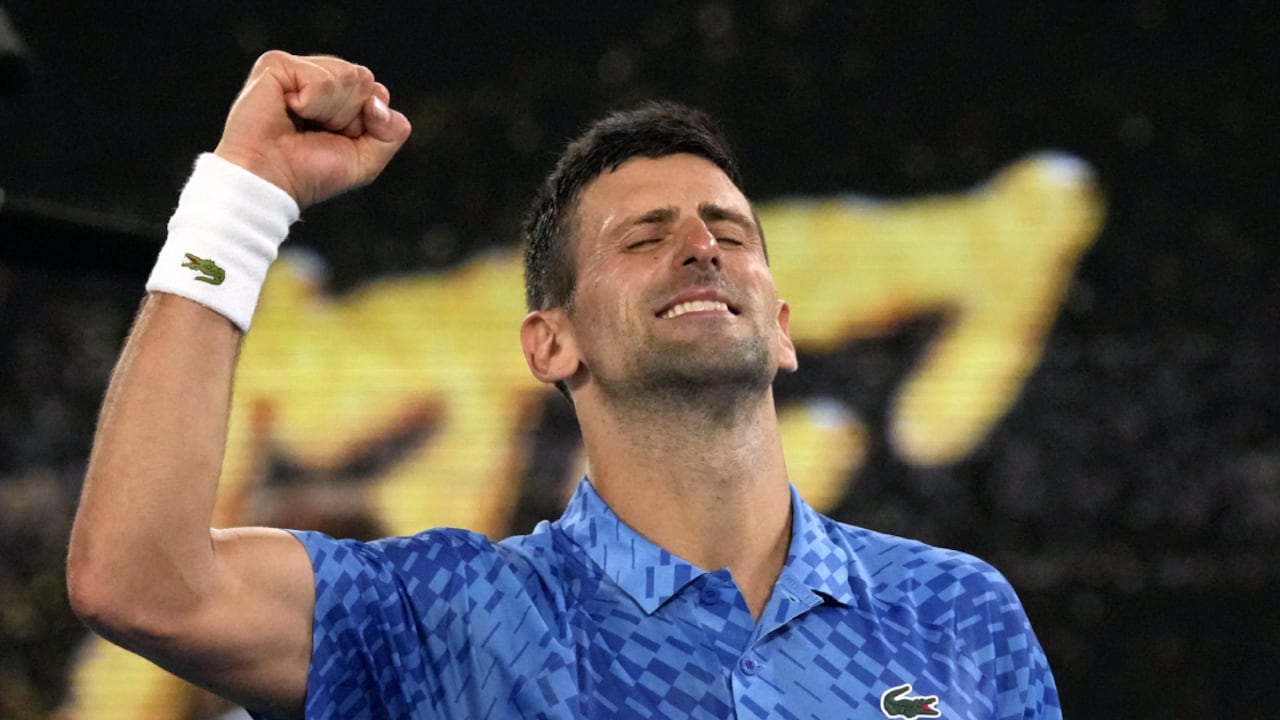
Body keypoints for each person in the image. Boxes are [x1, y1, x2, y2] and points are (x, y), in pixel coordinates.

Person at [66, 51, 1061, 720]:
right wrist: (242, 196)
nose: (698, 247)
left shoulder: (954, 610)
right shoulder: (454, 617)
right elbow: (141, 580)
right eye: (643, 235)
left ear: (785, 329)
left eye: (728, 231)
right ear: (550, 344)